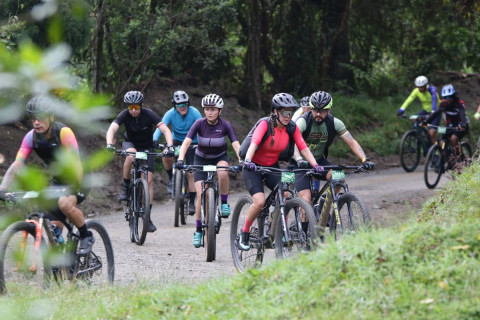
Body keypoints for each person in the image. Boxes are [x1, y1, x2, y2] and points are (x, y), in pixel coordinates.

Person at [0, 96, 94, 255]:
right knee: (52, 231)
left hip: (79, 178)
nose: (36, 122)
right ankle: (62, 267)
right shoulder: (30, 137)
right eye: (33, 118)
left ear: (51, 117)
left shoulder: (64, 132)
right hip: (58, 181)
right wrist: (3, 188)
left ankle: (86, 235)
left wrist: (74, 188)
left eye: (41, 118)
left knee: (65, 204)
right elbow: (17, 164)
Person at [237, 92, 324, 251]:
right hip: (253, 167)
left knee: (286, 194)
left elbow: (303, 147)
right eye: (284, 112)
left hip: (272, 166)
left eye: (291, 112)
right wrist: (248, 161)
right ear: (275, 112)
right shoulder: (265, 124)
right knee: (260, 201)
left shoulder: (291, 127)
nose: (288, 116)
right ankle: (245, 232)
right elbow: (254, 143)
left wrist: (315, 164)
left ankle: (279, 229)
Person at [175, 93, 241, 248]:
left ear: (220, 111)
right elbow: (186, 143)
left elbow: (236, 144)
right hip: (201, 159)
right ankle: (198, 230)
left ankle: (224, 203)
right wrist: (180, 159)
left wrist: (242, 160)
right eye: (207, 109)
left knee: (223, 172)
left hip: (219, 156)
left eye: (213, 109)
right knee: (201, 195)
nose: (209, 112)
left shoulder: (225, 125)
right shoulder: (198, 123)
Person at [106, 90, 173, 232]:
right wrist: (109, 144)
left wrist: (170, 146)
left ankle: (147, 217)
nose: (133, 110)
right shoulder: (124, 114)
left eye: (136, 107)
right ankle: (125, 187)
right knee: (130, 155)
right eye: (130, 108)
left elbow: (166, 130)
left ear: (141, 106)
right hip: (131, 145)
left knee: (148, 180)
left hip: (147, 148)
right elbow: (112, 128)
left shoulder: (149, 114)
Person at [292, 91, 375, 206]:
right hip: (299, 164)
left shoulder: (335, 123)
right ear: (311, 108)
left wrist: (364, 159)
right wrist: (298, 159)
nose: (318, 114)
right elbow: (293, 142)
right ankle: (306, 223)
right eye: (315, 110)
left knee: (339, 177)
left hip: (319, 161)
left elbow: (351, 142)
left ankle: (323, 206)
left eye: (322, 111)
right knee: (306, 200)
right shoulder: (303, 121)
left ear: (329, 110)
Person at [153, 90, 202, 214]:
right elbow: (161, 127)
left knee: (191, 172)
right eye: (179, 105)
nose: (182, 107)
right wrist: (154, 139)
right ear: (175, 106)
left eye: (184, 104)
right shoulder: (170, 113)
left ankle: (191, 201)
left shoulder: (194, 112)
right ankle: (171, 179)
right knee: (165, 154)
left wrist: (203, 142)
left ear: (188, 104)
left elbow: (202, 128)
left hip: (193, 142)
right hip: (177, 141)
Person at [423, 84, 469, 168]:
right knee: (442, 142)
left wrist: (463, 125)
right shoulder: (443, 104)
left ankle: (461, 158)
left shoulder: (459, 104)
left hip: (461, 126)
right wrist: (426, 121)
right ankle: (446, 160)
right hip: (449, 126)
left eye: (450, 97)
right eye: (446, 97)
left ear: (453, 96)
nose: (448, 100)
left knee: (453, 139)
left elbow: (462, 115)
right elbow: (436, 113)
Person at [397, 75, 441, 145]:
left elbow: (434, 101)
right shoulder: (416, 91)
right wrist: (402, 109)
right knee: (414, 119)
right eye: (418, 87)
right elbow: (409, 99)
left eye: (422, 87)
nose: (420, 89)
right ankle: (422, 133)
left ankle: (436, 151)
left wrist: (432, 112)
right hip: (425, 111)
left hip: (436, 112)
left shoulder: (432, 90)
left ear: (426, 85)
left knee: (432, 134)